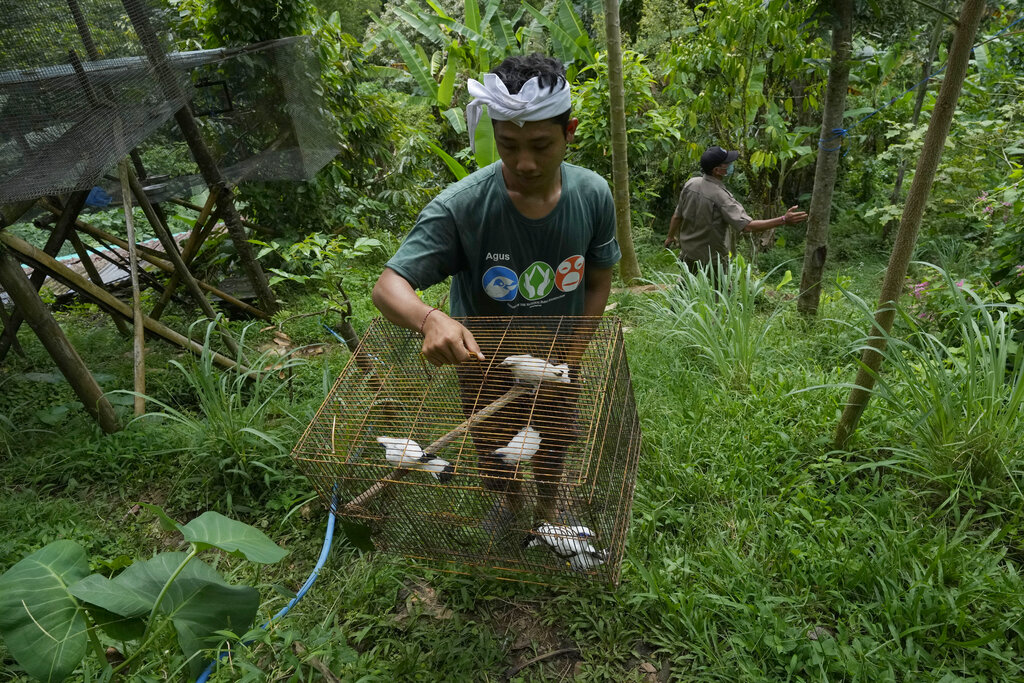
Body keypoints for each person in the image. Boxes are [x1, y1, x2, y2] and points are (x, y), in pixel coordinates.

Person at [371, 53, 621, 528]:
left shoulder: (592, 194)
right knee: (494, 442)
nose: (525, 162)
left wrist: (572, 355)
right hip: (484, 361)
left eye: (541, 145)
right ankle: (509, 504)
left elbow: (599, 279)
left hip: (557, 356)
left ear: (569, 133)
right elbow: (388, 287)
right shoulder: (462, 207)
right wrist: (430, 318)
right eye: (508, 145)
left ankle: (550, 501)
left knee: (553, 438)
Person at [664, 145, 808, 273]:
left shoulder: (691, 184)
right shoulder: (721, 197)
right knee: (720, 297)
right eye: (727, 163)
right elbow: (747, 227)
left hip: (688, 252)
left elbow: (677, 216)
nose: (731, 165)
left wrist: (670, 236)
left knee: (684, 291)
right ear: (717, 170)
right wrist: (783, 219)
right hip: (712, 260)